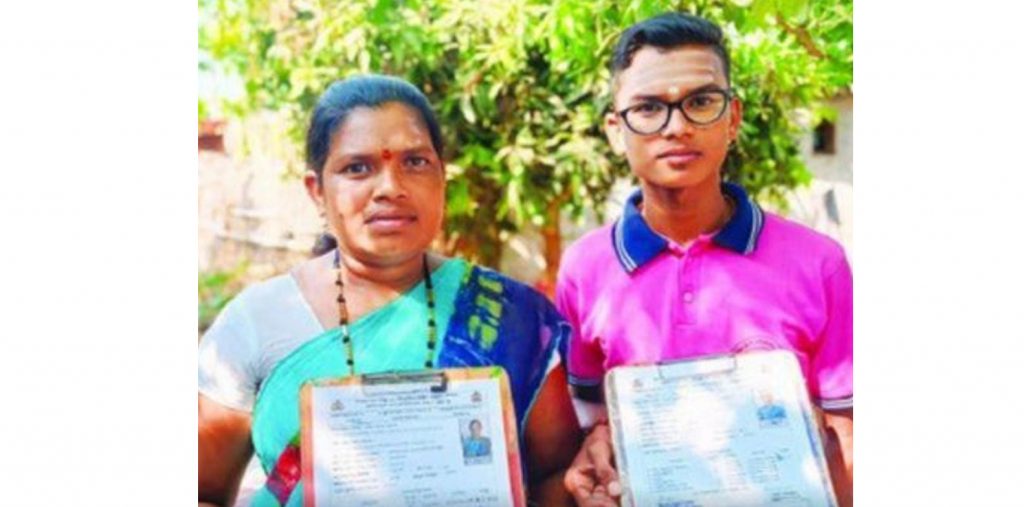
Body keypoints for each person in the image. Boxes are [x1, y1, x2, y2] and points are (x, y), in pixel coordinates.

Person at [198, 75, 581, 507]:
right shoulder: (256, 321)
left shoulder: (511, 315)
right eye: (357, 167)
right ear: (317, 191)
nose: (390, 187)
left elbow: (556, 472)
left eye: (415, 162)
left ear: (441, 177)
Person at [556, 12, 853, 507]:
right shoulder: (584, 269)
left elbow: (848, 434)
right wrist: (593, 456)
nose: (676, 127)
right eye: (648, 108)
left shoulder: (819, 262)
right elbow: (584, 421)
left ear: (732, 118)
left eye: (700, 102)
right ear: (615, 129)